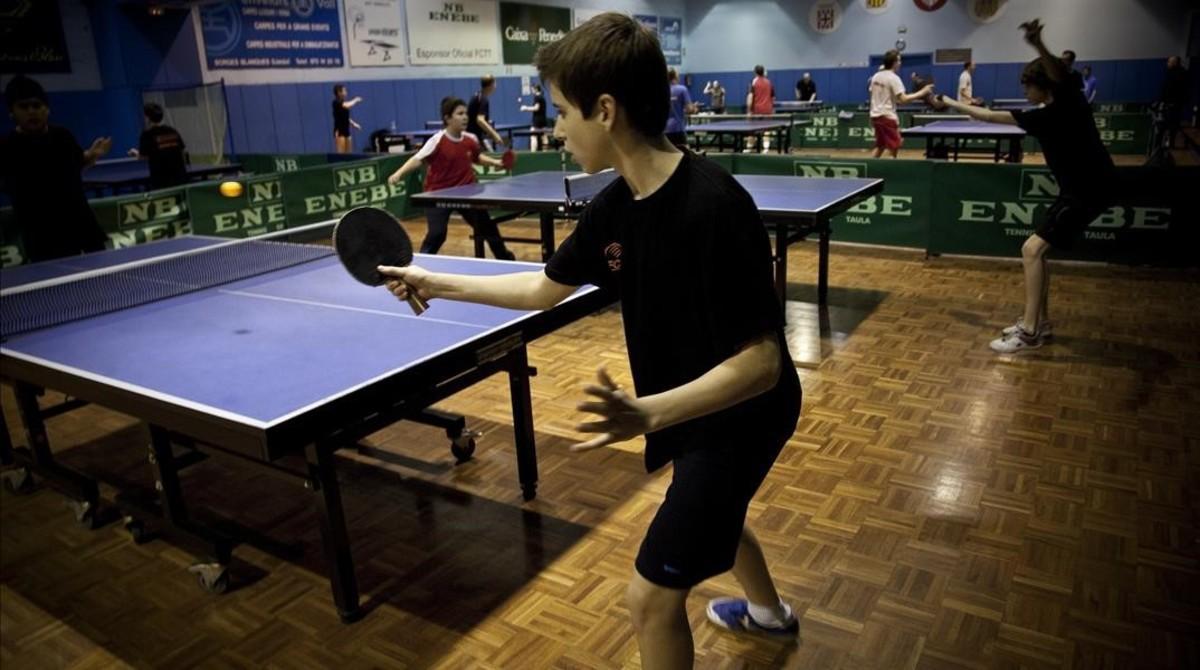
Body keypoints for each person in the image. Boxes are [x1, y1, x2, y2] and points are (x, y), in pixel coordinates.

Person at [379, 13, 802, 668]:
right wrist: (433, 279)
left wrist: (648, 412)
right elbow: (541, 289)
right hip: (692, 410)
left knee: (650, 599)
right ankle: (770, 615)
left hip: (741, 418)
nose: (556, 129)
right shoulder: (614, 205)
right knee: (711, 512)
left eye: (562, 112)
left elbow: (763, 365)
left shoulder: (714, 207)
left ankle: (764, 613)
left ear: (604, 111)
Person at [932, 19, 1116, 354]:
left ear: (1043, 85)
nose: (1023, 91)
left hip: (1092, 188)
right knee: (1037, 252)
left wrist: (1038, 43)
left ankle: (1030, 332)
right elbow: (986, 116)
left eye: (1027, 85)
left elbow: (1059, 73)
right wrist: (949, 102)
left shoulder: (1071, 104)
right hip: (1077, 189)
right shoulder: (1041, 115)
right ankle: (1039, 323)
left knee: (1032, 250)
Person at [386, 97, 514, 260]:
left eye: (466, 113)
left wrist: (495, 162)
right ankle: (422, 263)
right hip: (438, 194)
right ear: (447, 118)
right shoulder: (437, 140)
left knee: (487, 228)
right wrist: (399, 173)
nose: (465, 117)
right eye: (460, 114)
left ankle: (505, 258)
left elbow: (477, 157)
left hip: (467, 193)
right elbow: (418, 158)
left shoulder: (470, 139)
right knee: (438, 234)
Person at [0, 75, 110, 262]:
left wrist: (92, 155)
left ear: (47, 109)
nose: (32, 111)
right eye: (24, 107)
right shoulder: (7, 147)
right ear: (12, 112)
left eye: (37, 105)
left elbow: (76, 164)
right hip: (43, 239)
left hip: (83, 226)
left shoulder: (62, 136)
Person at [869, 50, 934, 158]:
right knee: (895, 145)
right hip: (887, 117)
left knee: (880, 146)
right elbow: (904, 99)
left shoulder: (876, 76)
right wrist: (923, 92)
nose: (900, 63)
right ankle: (893, 168)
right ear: (894, 62)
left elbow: (875, 95)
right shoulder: (894, 78)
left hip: (875, 116)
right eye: (899, 60)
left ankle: (869, 168)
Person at [128, 102, 187, 189]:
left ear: (147, 117)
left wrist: (135, 153)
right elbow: (182, 151)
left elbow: (143, 157)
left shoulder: (147, 135)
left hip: (161, 180)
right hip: (180, 178)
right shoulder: (173, 131)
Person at [1158, 56, 1191, 149]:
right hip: (1171, 104)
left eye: (1169, 62)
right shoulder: (1170, 73)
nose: (1167, 64)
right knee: (1167, 125)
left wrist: (1174, 102)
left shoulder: (1181, 74)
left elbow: (1182, 91)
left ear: (1175, 63)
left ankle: (1169, 144)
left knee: (1171, 126)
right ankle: (1164, 144)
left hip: (1174, 105)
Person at [467, 75, 505, 151]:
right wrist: (495, 135)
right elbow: (480, 120)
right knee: (488, 156)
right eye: (495, 83)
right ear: (491, 85)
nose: (495, 86)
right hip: (474, 137)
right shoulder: (483, 99)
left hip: (471, 135)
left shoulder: (477, 95)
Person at [664, 68, 697, 149]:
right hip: (678, 129)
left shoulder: (660, 90)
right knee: (683, 157)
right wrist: (695, 108)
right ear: (675, 76)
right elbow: (689, 109)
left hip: (664, 131)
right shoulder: (682, 89)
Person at [332, 84, 363, 153]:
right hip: (339, 131)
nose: (346, 92)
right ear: (339, 92)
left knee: (348, 152)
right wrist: (355, 100)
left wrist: (354, 124)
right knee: (341, 153)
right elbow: (347, 105)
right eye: (344, 91)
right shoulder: (336, 102)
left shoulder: (344, 102)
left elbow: (345, 117)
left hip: (346, 130)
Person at [519, 83, 550, 150]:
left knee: (533, 136)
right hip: (543, 119)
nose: (531, 91)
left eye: (532, 89)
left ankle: (534, 153)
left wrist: (525, 108)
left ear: (535, 89)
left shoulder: (537, 97)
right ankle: (546, 152)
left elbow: (536, 108)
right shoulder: (542, 96)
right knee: (544, 136)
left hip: (537, 120)